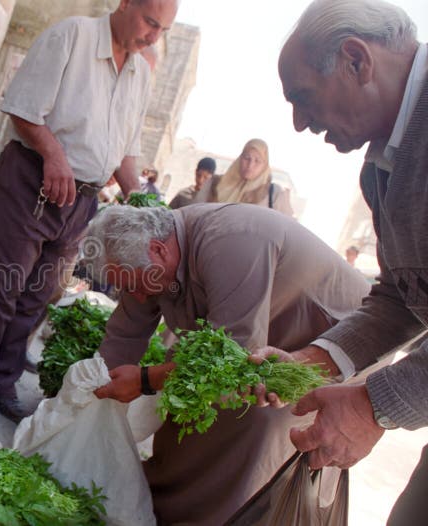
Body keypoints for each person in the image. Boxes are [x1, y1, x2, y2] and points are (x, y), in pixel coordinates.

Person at [0, 0, 180, 431]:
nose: (153, 36)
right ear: (126, 4)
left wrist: (146, 207)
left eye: (162, 30)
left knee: (39, 295)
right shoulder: (71, 35)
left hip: (83, 199)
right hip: (33, 179)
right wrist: (53, 153)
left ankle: (1, 382)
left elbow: (125, 152)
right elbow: (22, 107)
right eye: (150, 22)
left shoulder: (141, 72)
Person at [81, 203, 370, 525]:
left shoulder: (232, 240)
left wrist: (145, 380)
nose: (133, 296)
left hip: (336, 342)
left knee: (254, 421)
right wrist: (92, 391)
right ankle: (155, 509)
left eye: (132, 284)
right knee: (181, 411)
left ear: (158, 250)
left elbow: (233, 358)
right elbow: (125, 332)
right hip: (256, 341)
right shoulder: (148, 262)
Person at [253, 1, 428, 523]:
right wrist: (317, 360)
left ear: (356, 61)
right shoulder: (382, 168)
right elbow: (402, 293)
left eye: (302, 98)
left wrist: (373, 404)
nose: (300, 123)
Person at [194, 138, 294, 216]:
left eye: (257, 161)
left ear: (264, 165)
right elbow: (194, 214)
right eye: (247, 158)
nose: (250, 165)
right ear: (240, 158)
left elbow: (287, 232)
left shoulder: (275, 194)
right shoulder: (214, 184)